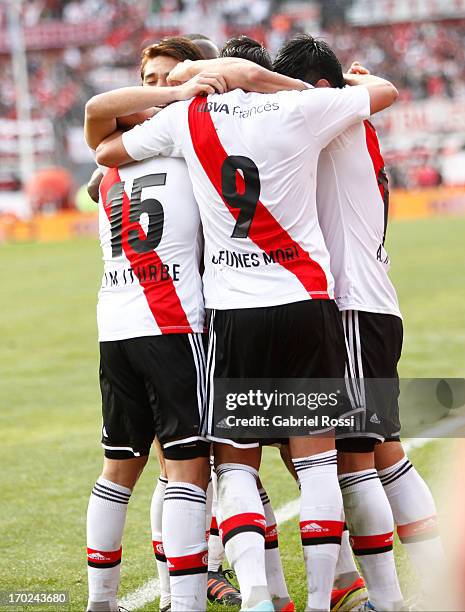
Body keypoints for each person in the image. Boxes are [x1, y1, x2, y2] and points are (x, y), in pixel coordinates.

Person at [95, 57, 398, 612]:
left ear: (211, 74)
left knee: (234, 465)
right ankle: (324, 600)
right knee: (318, 465)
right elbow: (384, 92)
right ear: (259, 70)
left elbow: (106, 156)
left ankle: (257, 591)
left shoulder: (188, 116)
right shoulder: (298, 106)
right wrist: (300, 82)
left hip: (233, 311)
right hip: (307, 303)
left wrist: (180, 98)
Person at [274, 35, 444, 611]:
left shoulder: (333, 120)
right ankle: (436, 588)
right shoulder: (355, 121)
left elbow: (379, 90)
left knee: (352, 457)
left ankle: (389, 601)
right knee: (384, 450)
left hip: (349, 307)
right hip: (376, 302)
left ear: (318, 90)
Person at [83, 37, 223, 612]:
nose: (162, 87)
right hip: (170, 325)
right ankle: (183, 600)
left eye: (171, 76)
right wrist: (183, 92)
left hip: (117, 323)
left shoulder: (112, 152)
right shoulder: (189, 137)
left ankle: (105, 600)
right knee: (186, 466)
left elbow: (98, 116)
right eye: (152, 78)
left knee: (126, 466)